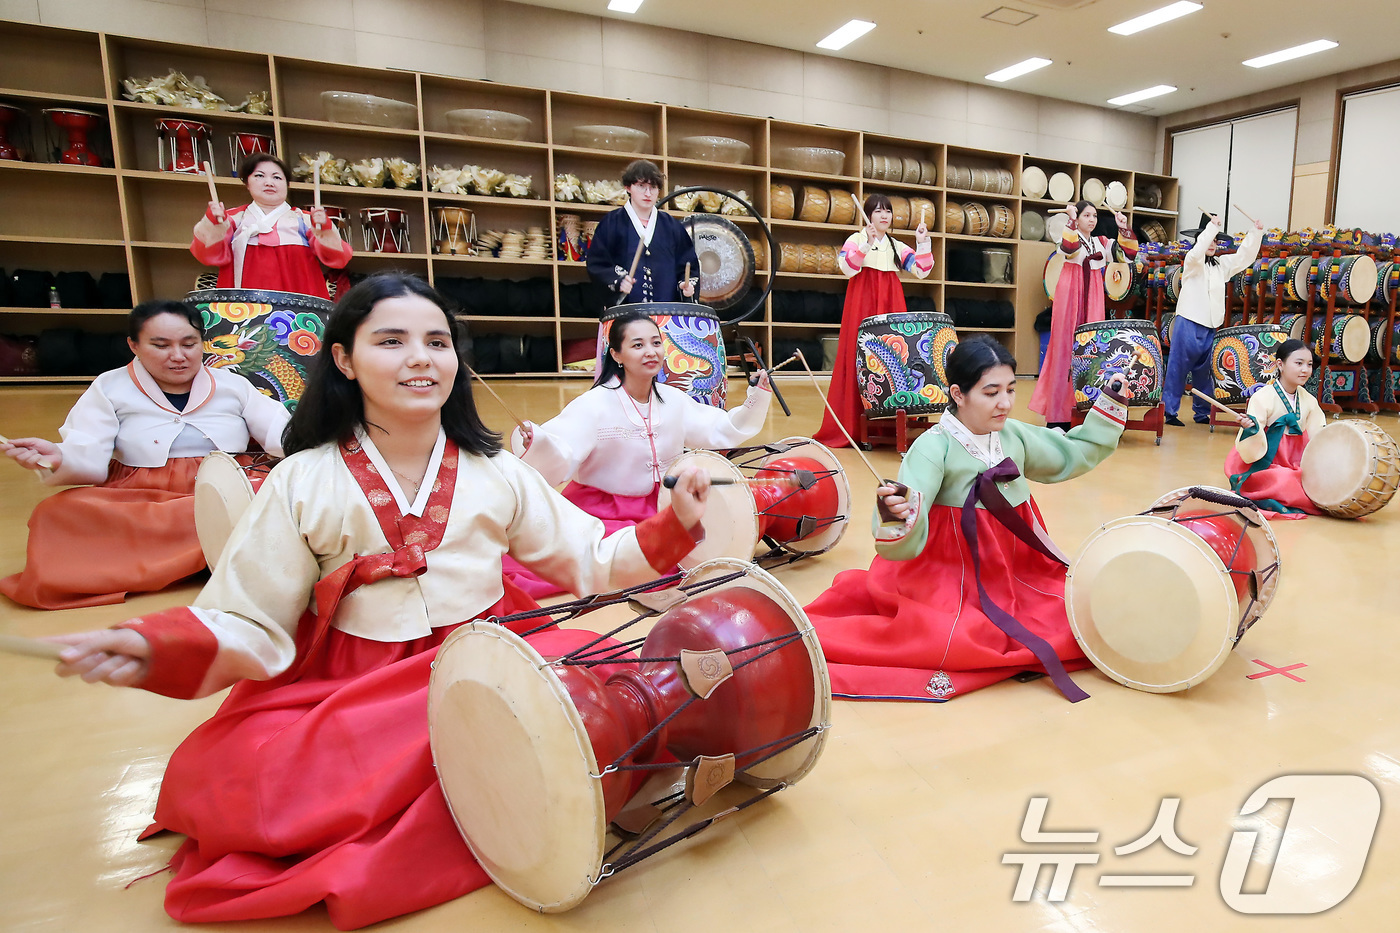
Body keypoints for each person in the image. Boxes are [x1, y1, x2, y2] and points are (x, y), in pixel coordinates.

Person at [42, 274, 711, 930]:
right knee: (259, 786)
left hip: (491, 653)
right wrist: (154, 640)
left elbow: (591, 558)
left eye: (438, 342)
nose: (421, 357)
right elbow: (246, 610)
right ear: (343, 358)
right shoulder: (302, 477)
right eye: (391, 341)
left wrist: (673, 519)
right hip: (358, 680)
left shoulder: (498, 471)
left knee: (607, 690)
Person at [804, 335, 1128, 703]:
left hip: (1016, 565)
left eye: (1009, 389)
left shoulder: (1013, 434)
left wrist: (1109, 406)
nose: (1005, 403)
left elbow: (1068, 453)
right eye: (991, 393)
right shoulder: (933, 446)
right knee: (958, 636)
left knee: (1087, 612)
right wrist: (897, 511)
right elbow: (907, 500)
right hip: (950, 572)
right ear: (958, 394)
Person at [0, 299, 290, 610]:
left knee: (276, 495)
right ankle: (211, 554)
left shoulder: (233, 385)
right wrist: (56, 457)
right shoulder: (109, 387)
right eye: (161, 345)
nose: (178, 356)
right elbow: (87, 449)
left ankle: (181, 558)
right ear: (134, 345)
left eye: (189, 344)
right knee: (54, 514)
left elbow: (283, 433)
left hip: (226, 487)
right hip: (142, 497)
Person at [505, 308, 771, 596]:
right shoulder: (594, 404)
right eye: (638, 345)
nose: (651, 352)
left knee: (707, 544)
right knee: (630, 560)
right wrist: (537, 440)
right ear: (616, 354)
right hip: (604, 512)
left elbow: (722, 427)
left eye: (656, 343)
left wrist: (755, 399)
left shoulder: (673, 400)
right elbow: (561, 449)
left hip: (664, 504)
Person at [813, 193, 934, 448]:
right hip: (862, 301)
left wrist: (923, 244)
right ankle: (854, 424)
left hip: (891, 300)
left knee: (893, 357)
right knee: (859, 357)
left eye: (887, 211)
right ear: (868, 215)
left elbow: (922, 271)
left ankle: (888, 422)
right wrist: (866, 243)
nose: (884, 216)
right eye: (878, 211)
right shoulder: (856, 239)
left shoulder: (896, 245)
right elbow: (847, 267)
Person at [1029, 200, 1137, 430]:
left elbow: (1126, 255)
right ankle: (1059, 415)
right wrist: (1069, 219)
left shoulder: (1101, 243)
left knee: (1091, 349)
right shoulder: (1070, 235)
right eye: (1086, 215)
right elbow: (1069, 248)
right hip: (1071, 294)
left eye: (1094, 216)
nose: (1091, 219)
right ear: (1077, 218)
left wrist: (1123, 227)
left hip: (1093, 297)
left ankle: (1086, 408)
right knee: (1065, 350)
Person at [191, 153, 352, 300]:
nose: (269, 183)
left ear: (287, 184)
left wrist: (324, 227)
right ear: (247, 183)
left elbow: (338, 257)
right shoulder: (232, 218)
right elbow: (206, 253)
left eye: (277, 178)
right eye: (259, 176)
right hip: (244, 303)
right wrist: (213, 221)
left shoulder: (304, 219)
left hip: (298, 301)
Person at [1163, 211, 1264, 426]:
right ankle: (1169, 412)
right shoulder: (1192, 262)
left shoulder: (1221, 266)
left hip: (1210, 325)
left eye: (1216, 241)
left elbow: (1244, 257)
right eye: (1210, 239)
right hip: (1188, 322)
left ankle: (1202, 412)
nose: (1213, 243)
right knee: (1177, 368)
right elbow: (1198, 250)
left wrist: (1256, 232)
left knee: (1205, 371)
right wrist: (1210, 230)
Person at [1225, 338, 1324, 518]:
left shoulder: (1309, 400)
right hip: (1267, 462)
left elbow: (1319, 436)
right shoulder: (1262, 397)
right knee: (1284, 480)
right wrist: (1251, 429)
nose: (1305, 370)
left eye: (1309, 364)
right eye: (1299, 363)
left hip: (1297, 460)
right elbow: (1252, 445)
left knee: (1316, 479)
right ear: (1280, 364)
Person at [586, 159, 698, 304]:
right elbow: (598, 263)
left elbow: (688, 265)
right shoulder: (611, 223)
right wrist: (618, 281)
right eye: (641, 186)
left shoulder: (672, 227)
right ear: (628, 187)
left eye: (653, 187)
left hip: (665, 313)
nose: (648, 193)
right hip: (626, 315)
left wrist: (685, 285)